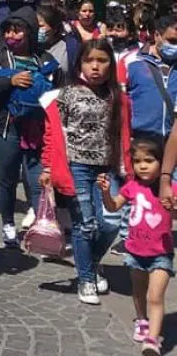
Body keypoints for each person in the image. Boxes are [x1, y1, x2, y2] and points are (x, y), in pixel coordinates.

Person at [39, 39, 131, 305]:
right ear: (80, 63)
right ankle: (86, 279)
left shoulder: (118, 97)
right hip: (76, 167)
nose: (95, 67)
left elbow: (124, 134)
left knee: (111, 222)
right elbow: (52, 134)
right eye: (90, 61)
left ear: (110, 65)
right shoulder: (66, 95)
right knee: (85, 225)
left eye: (102, 61)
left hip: (107, 168)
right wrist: (47, 166)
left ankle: (89, 262)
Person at [0, 6, 62, 246]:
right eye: (8, 31)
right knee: (8, 176)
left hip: (37, 128)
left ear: (30, 31)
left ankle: (41, 228)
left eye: (17, 31)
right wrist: (10, 80)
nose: (11, 36)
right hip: (6, 126)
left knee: (37, 178)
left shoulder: (45, 59)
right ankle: (8, 224)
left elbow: (59, 87)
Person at [99, 135, 172, 356]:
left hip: (161, 253)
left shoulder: (169, 189)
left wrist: (172, 206)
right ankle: (141, 320)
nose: (142, 165)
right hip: (135, 252)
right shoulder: (131, 187)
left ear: (162, 162)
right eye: (138, 161)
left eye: (149, 160)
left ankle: (152, 340)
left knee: (155, 297)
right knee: (139, 292)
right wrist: (105, 192)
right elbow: (113, 207)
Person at [122, 15, 177, 138]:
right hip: (141, 143)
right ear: (157, 35)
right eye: (172, 41)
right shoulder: (130, 61)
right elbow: (119, 102)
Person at [37, 4, 80, 78]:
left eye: (41, 26)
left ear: (54, 28)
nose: (38, 29)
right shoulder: (30, 46)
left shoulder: (71, 47)